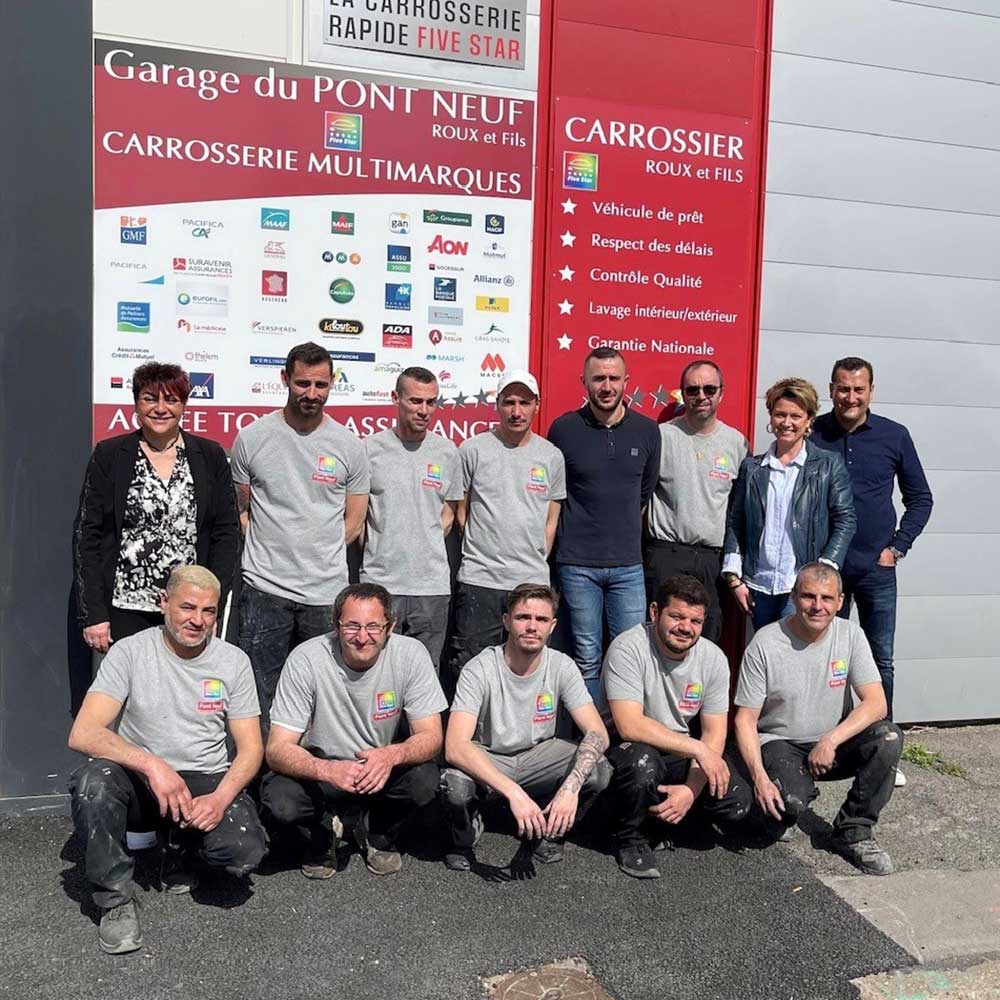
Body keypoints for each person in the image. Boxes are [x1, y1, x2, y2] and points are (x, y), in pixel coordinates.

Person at [67, 565, 267, 955]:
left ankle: (181, 846)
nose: (197, 620)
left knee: (243, 852)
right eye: (187, 607)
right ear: (164, 603)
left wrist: (221, 798)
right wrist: (153, 765)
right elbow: (84, 733)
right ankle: (115, 901)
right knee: (93, 782)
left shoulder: (233, 661)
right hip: (141, 780)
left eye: (209, 611)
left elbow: (251, 748)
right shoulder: (130, 651)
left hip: (204, 776)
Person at [262, 583, 446, 879]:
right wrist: (328, 770)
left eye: (374, 626)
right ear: (336, 625)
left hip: (377, 767)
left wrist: (390, 756)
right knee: (281, 801)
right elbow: (277, 749)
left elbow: (432, 736)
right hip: (321, 769)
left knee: (425, 780)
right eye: (352, 626)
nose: (362, 637)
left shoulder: (411, 654)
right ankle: (323, 834)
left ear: (391, 626)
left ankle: (375, 832)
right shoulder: (306, 658)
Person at [732, 563, 903, 875]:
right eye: (809, 596)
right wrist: (759, 777)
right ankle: (783, 799)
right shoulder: (766, 643)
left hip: (832, 742)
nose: (817, 606)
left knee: (888, 737)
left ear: (840, 601)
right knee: (789, 804)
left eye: (827, 598)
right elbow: (745, 720)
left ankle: (853, 832)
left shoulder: (851, 635)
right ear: (794, 597)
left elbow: (876, 704)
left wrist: (831, 739)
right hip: (781, 743)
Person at [231, 342, 370, 721]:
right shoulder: (252, 438)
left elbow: (355, 521)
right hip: (265, 589)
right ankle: (259, 776)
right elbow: (239, 511)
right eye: (303, 383)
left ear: (331, 384)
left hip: (325, 592)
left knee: (321, 694)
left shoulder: (349, 446)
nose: (312, 394)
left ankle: (314, 772)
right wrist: (275, 547)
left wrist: (317, 549)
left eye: (321, 385)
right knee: (260, 693)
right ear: (285, 379)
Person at [812, 357, 933, 788]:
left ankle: (884, 749)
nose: (850, 397)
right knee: (829, 662)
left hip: (876, 571)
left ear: (870, 391)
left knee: (880, 658)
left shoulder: (893, 436)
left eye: (858, 389)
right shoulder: (814, 433)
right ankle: (827, 745)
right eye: (843, 388)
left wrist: (897, 547)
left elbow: (921, 498)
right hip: (827, 575)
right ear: (831, 389)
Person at [440, 584, 611, 871]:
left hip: (538, 755)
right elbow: (455, 746)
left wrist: (570, 789)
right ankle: (467, 833)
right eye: (523, 618)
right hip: (490, 755)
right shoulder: (479, 668)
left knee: (599, 769)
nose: (532, 627)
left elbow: (598, 734)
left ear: (553, 626)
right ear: (506, 621)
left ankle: (551, 830)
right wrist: (514, 793)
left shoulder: (562, 666)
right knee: (454, 786)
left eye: (541, 620)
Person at [73, 362, 239, 653]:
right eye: (150, 398)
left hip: (189, 609)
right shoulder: (110, 455)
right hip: (125, 607)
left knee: (185, 694)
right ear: (136, 404)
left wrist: (213, 604)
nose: (161, 408)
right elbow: (87, 535)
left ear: (184, 405)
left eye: (171, 400)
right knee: (129, 695)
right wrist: (94, 614)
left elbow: (226, 534)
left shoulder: (209, 456)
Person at [603, 575, 750, 879]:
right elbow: (629, 724)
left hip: (677, 748)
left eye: (695, 621)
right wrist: (698, 750)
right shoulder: (628, 647)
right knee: (642, 765)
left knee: (737, 805)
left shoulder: (713, 658)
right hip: (626, 749)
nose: (686, 627)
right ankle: (628, 837)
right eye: (677, 616)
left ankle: (667, 815)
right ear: (655, 612)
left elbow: (714, 732)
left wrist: (691, 790)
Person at [547, 347, 661, 698]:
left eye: (614, 378)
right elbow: (555, 492)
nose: (607, 386)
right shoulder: (564, 429)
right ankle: (592, 740)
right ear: (585, 382)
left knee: (631, 657)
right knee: (586, 658)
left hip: (628, 564)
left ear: (627, 382)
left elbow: (645, 491)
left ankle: (625, 735)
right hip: (576, 563)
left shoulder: (647, 431)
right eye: (599, 378)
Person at [448, 370, 566, 677]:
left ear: (536, 405)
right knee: (471, 668)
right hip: (480, 580)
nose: (516, 411)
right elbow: (461, 512)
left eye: (524, 402)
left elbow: (551, 521)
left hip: (530, 582)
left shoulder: (551, 457)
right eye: (509, 402)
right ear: (497, 404)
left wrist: (533, 559)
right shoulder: (472, 450)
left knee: (527, 669)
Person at [722, 377, 856, 630]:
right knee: (769, 659)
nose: (787, 423)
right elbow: (736, 521)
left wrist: (823, 569)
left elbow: (845, 518)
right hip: (759, 587)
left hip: (802, 588)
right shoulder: (752, 468)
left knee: (798, 659)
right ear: (770, 417)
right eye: (780, 414)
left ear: (809, 420)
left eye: (795, 416)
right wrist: (734, 578)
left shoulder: (828, 465)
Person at [361, 367, 463, 670]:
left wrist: (425, 538)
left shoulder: (447, 452)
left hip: (431, 588)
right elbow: (357, 514)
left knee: (423, 678)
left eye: (431, 402)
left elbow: (450, 512)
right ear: (396, 399)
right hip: (380, 584)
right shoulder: (369, 450)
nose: (424, 410)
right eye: (415, 401)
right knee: (375, 673)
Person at [645, 360, 749, 643]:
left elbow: (741, 511)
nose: (701, 396)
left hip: (712, 561)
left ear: (721, 393)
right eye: (692, 390)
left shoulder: (736, 443)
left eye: (709, 388)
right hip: (667, 553)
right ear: (682, 394)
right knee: (660, 639)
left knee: (708, 639)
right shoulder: (661, 437)